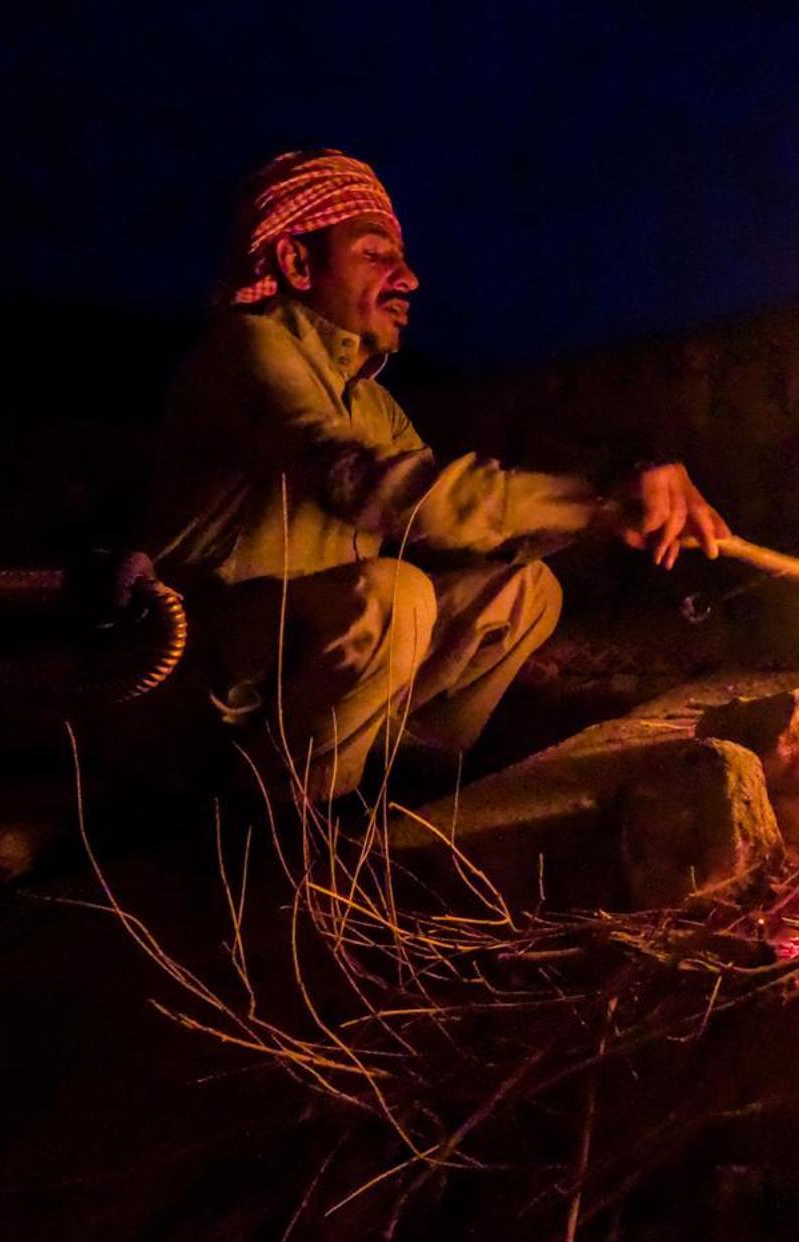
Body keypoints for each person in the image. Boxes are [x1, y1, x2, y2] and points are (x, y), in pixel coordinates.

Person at [145, 150, 728, 800]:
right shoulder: (247, 349)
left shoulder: (371, 402)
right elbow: (366, 485)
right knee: (391, 599)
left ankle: (405, 788)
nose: (410, 279)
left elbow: (437, 525)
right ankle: (293, 827)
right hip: (208, 677)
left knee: (525, 590)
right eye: (375, 255)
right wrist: (587, 501)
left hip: (308, 667)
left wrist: (603, 509)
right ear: (296, 263)